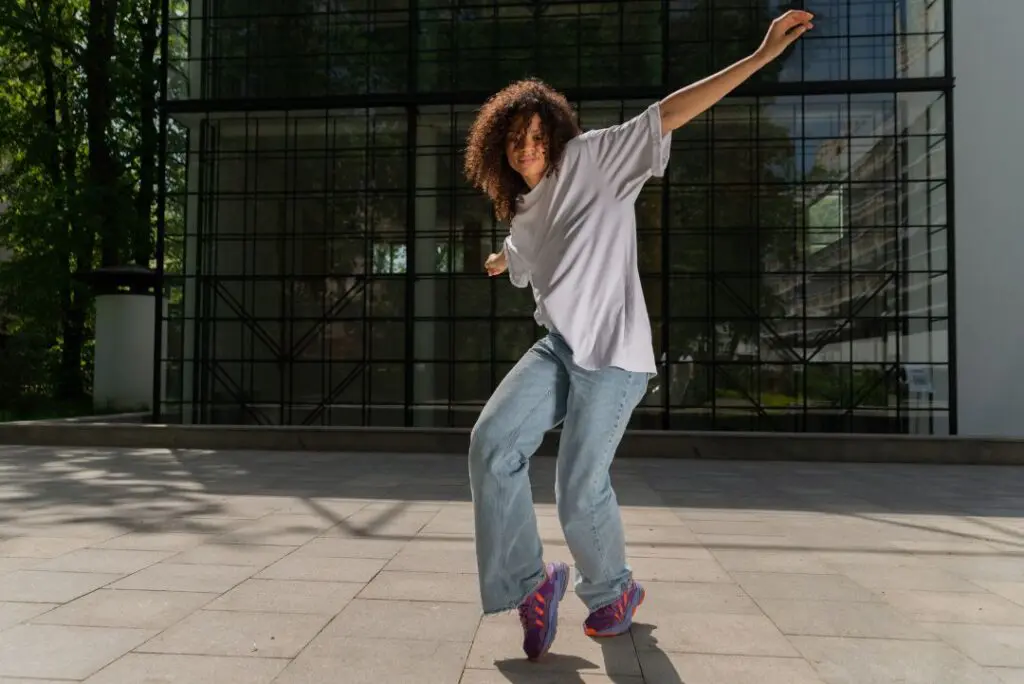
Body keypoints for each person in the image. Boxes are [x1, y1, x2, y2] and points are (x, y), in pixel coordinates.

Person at [462, 10, 814, 661]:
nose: (527, 148)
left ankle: (614, 591)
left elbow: (672, 112)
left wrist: (761, 55)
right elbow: (520, 250)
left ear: (558, 134)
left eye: (538, 136)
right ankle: (529, 586)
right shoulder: (522, 210)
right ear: (498, 148)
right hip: (560, 350)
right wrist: (498, 260)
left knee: (577, 486)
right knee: (491, 442)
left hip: (615, 356)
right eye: (514, 140)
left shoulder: (596, 158)